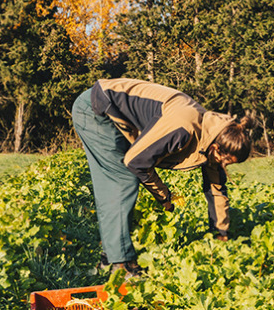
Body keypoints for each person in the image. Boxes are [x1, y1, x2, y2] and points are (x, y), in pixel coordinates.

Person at [71, 78, 252, 276]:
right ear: (217, 148)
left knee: (123, 181)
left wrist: (221, 233)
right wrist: (164, 196)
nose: (223, 166)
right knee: (122, 181)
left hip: (113, 112)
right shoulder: (184, 127)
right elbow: (136, 161)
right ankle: (120, 265)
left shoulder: (212, 135)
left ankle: (112, 256)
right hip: (97, 108)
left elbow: (216, 188)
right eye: (225, 162)